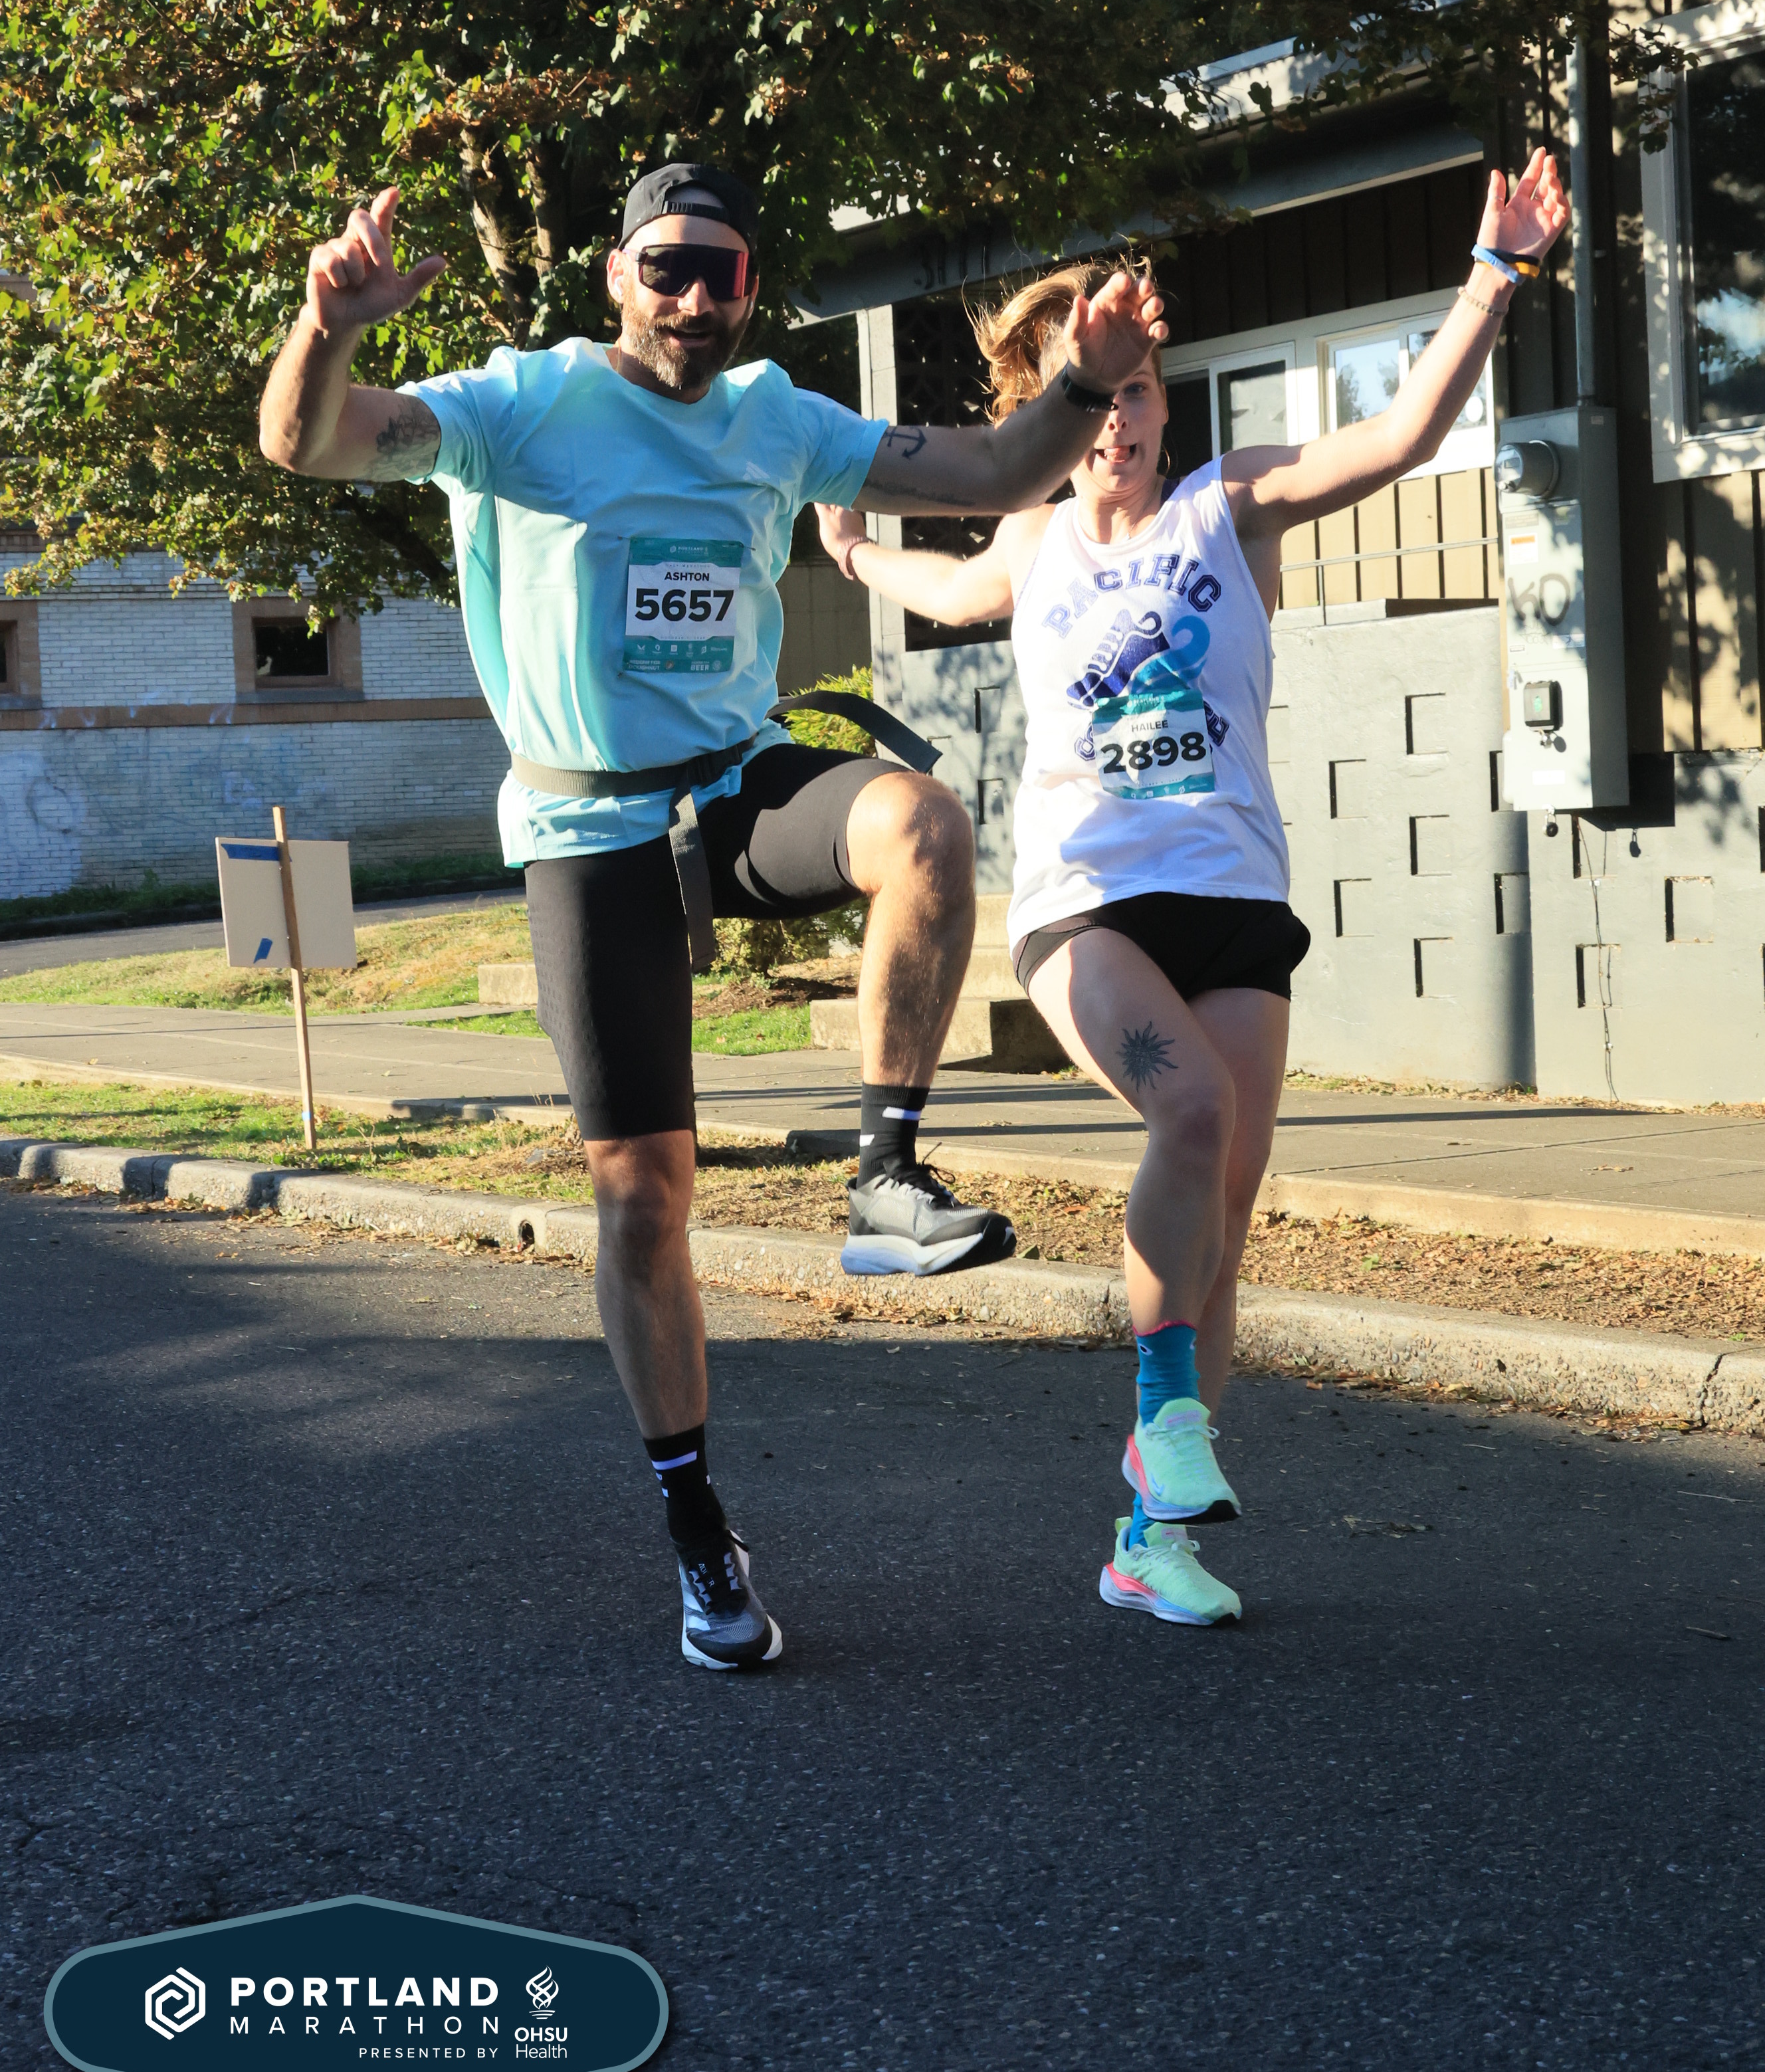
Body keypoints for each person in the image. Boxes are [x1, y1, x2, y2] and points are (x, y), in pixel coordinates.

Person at [258, 160, 1169, 1669]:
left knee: (923, 824)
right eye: (667, 266)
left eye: (722, 273)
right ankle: (696, 1529)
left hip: (735, 784)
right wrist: (330, 324)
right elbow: (308, 441)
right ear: (618, 276)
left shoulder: (775, 418)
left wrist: (1085, 378)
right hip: (588, 822)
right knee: (645, 1197)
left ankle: (884, 1181)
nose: (693, 296)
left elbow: (1001, 472)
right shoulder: (520, 404)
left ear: (751, 290)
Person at [819, 149, 1569, 1627]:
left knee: (1218, 1229)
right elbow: (941, 588)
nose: (1117, 420)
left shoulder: (1229, 504)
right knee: (1194, 1113)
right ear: (1055, 413)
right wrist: (851, 547)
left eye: (1139, 393)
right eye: (1091, 397)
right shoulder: (1030, 542)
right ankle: (1163, 1417)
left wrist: (1494, 273)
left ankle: (1147, 1539)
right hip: (1084, 904)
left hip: (1233, 897)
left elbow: (1407, 434)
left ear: (1167, 405)